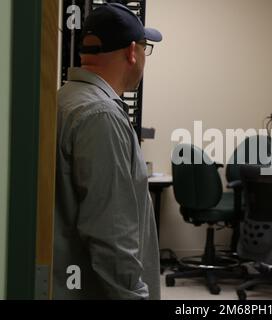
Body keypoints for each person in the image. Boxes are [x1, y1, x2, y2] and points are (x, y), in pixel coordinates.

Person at [54, 3, 162, 299]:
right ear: (132, 52)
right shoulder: (101, 116)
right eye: (145, 47)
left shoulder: (65, 99)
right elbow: (112, 235)